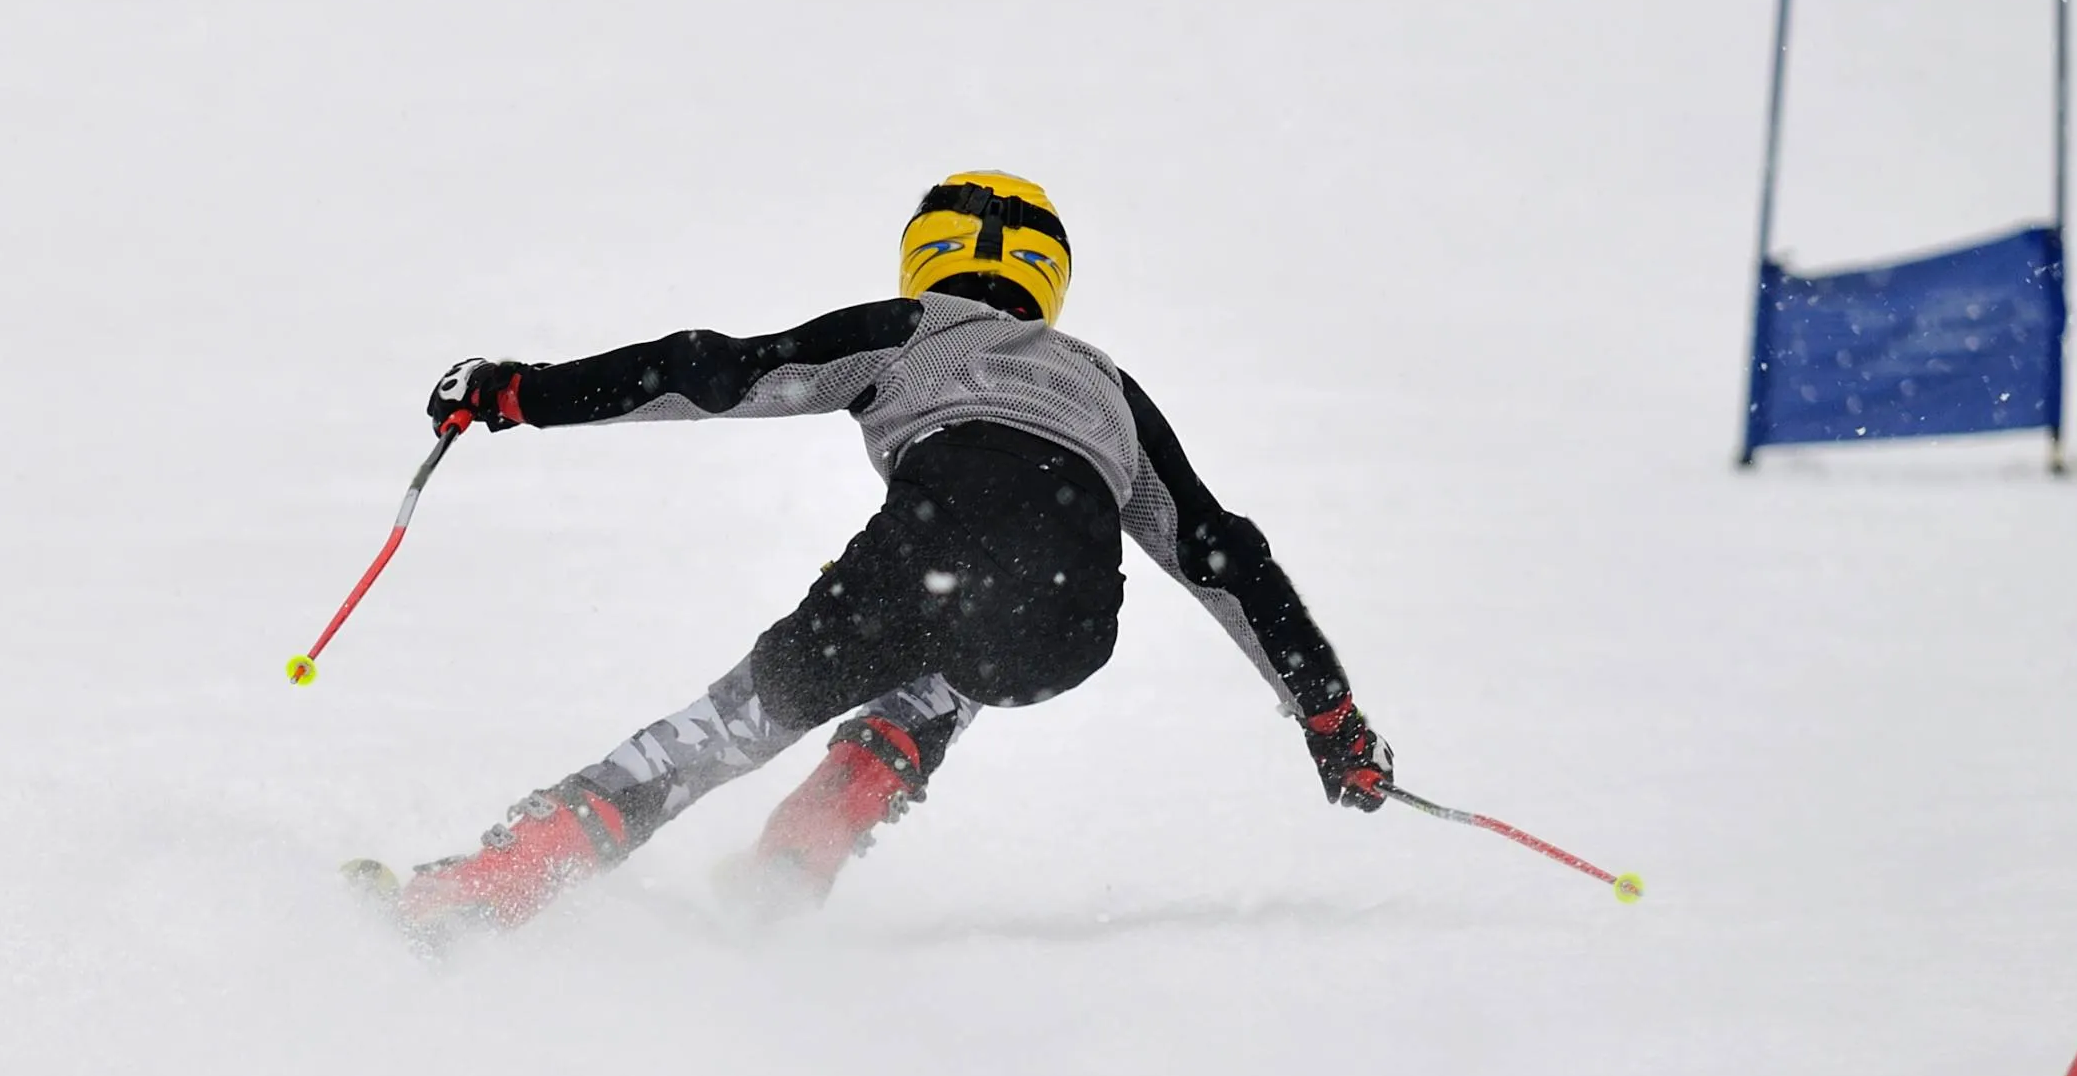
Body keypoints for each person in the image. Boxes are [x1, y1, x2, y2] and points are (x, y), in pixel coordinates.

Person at [372, 174, 1391, 938]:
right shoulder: (1110, 390)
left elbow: (713, 371)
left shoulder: (917, 329)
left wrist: (518, 393)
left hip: (919, 561)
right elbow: (1227, 559)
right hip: (1067, 626)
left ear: (923, 258)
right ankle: (806, 848)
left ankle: (490, 887)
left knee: (728, 729)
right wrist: (1330, 718)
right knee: (976, 634)